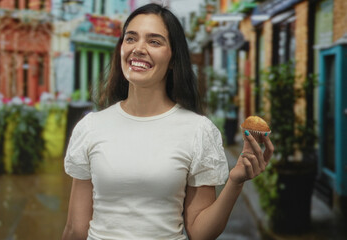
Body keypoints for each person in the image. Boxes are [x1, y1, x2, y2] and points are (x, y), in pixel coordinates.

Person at [62, 3, 274, 240]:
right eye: (131, 38)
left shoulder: (198, 131)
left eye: (154, 41)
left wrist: (235, 182)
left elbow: (200, 232)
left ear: (174, 58)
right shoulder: (91, 127)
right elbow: (75, 229)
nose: (138, 48)